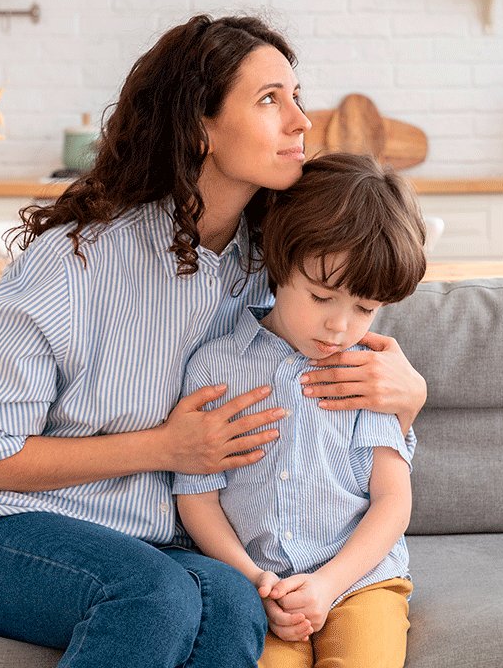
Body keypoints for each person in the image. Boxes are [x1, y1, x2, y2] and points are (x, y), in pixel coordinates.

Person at [0, 15, 428, 668]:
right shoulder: (74, 261)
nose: (301, 120)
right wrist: (164, 447)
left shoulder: (266, 266)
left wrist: (408, 396)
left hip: (163, 542)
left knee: (235, 603)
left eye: (297, 95)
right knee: (156, 595)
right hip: (11, 531)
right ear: (201, 126)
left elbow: (340, 340)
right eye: (270, 100)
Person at [174, 152, 426, 668]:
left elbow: (392, 503)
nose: (340, 327)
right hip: (256, 588)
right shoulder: (215, 367)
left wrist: (329, 584)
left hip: (360, 583)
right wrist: (251, 580)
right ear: (277, 262)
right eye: (321, 296)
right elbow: (197, 497)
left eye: (364, 308)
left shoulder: (367, 375)